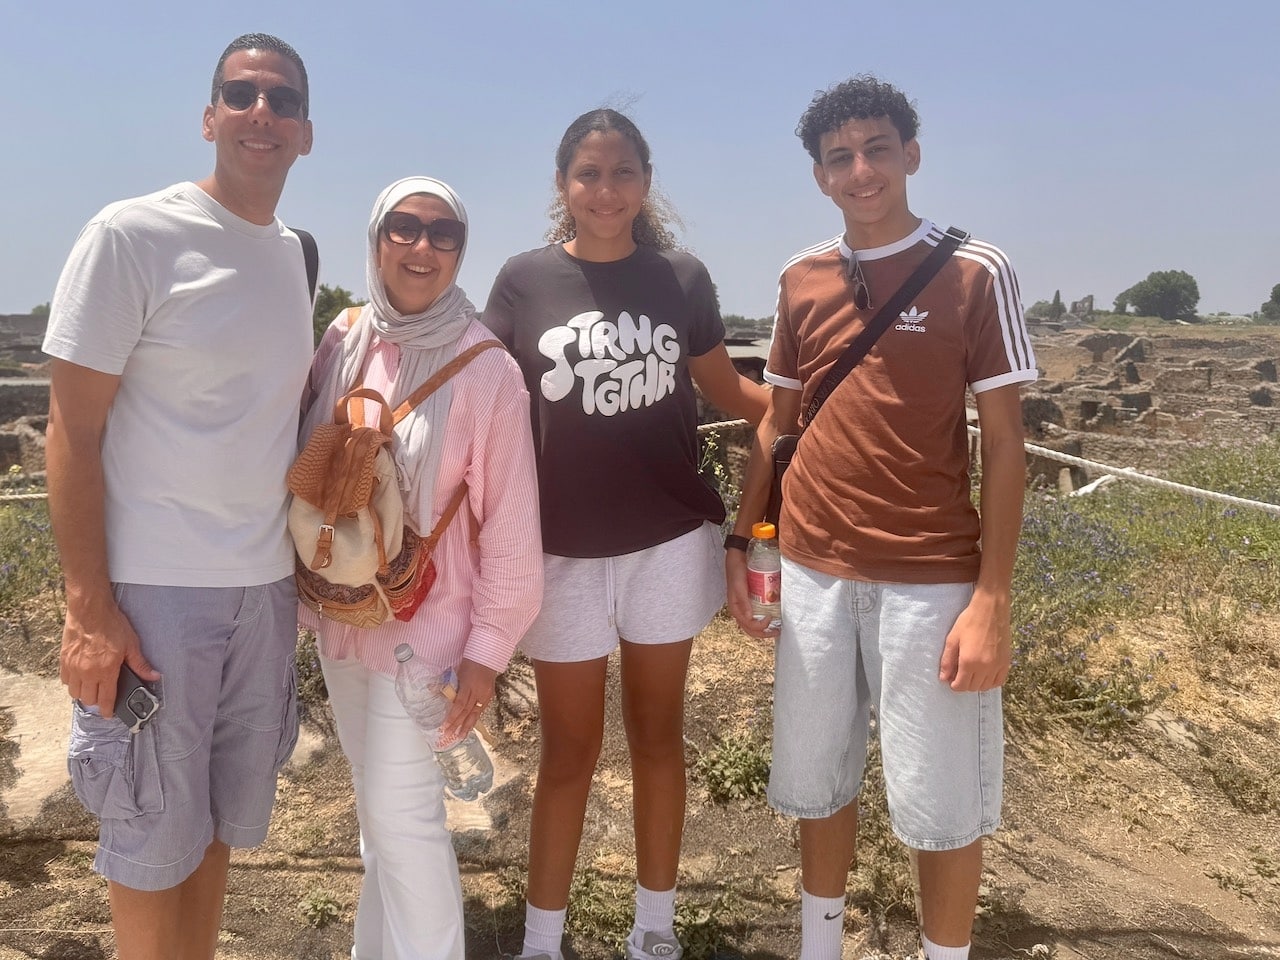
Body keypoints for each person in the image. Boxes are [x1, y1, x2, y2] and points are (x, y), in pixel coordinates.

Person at [724, 75, 1037, 960]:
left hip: (930, 581)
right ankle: (820, 947)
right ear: (819, 175)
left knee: (942, 805)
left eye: (877, 150)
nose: (860, 171)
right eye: (840, 157)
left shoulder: (976, 271)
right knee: (817, 785)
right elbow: (778, 423)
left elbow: (1005, 444)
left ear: (912, 155)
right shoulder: (801, 278)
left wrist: (993, 599)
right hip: (813, 572)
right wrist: (742, 542)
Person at [42, 33, 314, 959]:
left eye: (282, 99)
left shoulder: (293, 255)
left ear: (306, 132)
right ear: (209, 117)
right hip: (156, 597)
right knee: (149, 851)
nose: (261, 112)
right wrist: (88, 609)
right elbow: (71, 429)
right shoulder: (132, 235)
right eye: (241, 93)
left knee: (212, 839)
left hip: (263, 593)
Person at [483, 108, 768, 960]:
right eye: (588, 174)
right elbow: (478, 398)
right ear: (562, 184)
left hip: (665, 544)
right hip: (559, 550)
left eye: (622, 174)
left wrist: (832, 415)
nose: (605, 191)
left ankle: (654, 930)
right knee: (568, 753)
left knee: (657, 739)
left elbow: (736, 394)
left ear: (646, 183)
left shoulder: (679, 278)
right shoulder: (523, 281)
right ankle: (542, 942)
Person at [300, 176, 542, 960]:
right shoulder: (343, 338)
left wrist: (487, 654)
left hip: (424, 640)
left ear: (461, 252)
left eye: (443, 233)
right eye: (403, 226)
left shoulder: (487, 369)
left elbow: (512, 527)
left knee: (404, 825)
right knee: (378, 821)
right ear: (376, 238)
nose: (421, 246)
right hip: (344, 618)